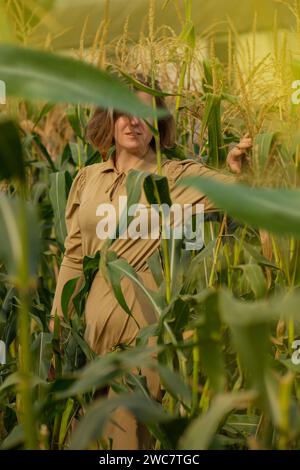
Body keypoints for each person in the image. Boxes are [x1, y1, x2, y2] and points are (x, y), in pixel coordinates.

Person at [49, 75, 252, 449]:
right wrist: (57, 330)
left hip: (144, 352)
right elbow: (74, 259)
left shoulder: (174, 178)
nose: (133, 121)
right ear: (108, 117)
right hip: (89, 348)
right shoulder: (86, 179)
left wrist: (237, 168)